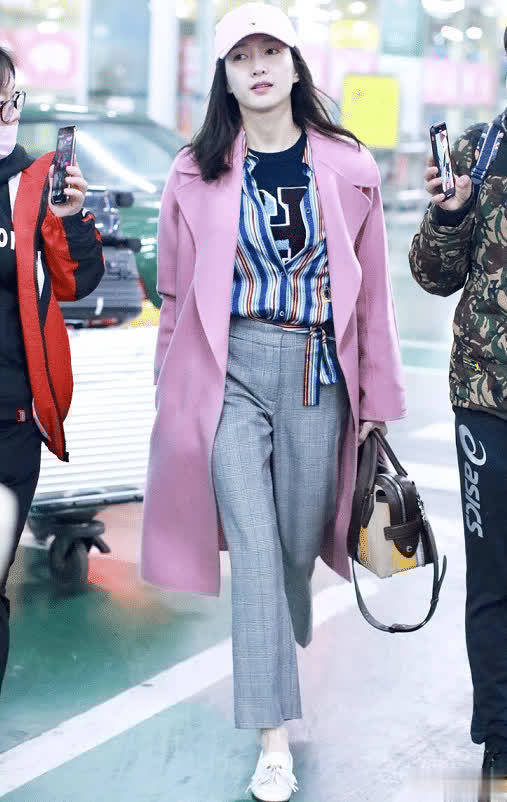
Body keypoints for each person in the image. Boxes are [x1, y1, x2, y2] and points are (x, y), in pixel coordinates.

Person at [142, 3, 406, 799]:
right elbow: (174, 293)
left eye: (270, 52)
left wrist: (376, 396)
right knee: (255, 554)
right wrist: (172, 394)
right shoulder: (193, 172)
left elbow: (373, 298)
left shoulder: (348, 167)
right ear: (224, 78)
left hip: (316, 372)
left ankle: (289, 598)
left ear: (294, 66)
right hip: (227, 373)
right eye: (240, 57)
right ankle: (271, 738)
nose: (257, 67)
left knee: (296, 540)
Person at [409, 26, 506, 792]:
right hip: (485, 402)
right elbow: (432, 275)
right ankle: (500, 735)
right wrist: (448, 215)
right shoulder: (479, 149)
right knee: (493, 578)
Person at [0, 49, 104, 692]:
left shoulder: (35, 184)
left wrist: (71, 222)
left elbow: (78, 282)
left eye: (8, 99)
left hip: (9, 423)